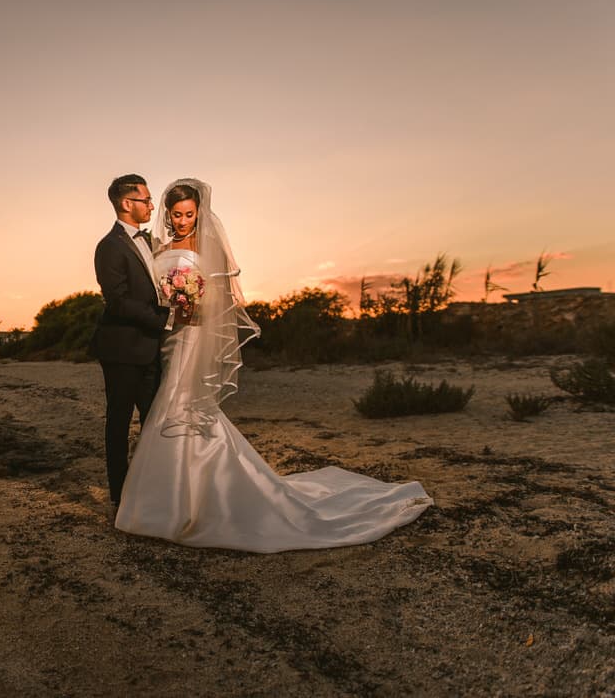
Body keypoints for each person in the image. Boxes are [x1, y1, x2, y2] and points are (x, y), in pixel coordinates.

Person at [115, 178, 433, 551]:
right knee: (168, 403)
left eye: (190, 214)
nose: (183, 220)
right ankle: (168, 498)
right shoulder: (161, 247)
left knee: (183, 403)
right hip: (169, 337)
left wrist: (194, 306)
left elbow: (218, 298)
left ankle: (189, 500)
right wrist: (173, 306)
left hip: (193, 335)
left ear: (199, 213)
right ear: (167, 215)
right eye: (177, 214)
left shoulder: (207, 247)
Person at [90, 175, 173, 509]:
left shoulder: (152, 243)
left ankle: (152, 487)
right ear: (127, 203)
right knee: (120, 422)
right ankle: (119, 494)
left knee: (154, 421)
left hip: (153, 347)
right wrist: (164, 321)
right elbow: (119, 301)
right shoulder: (109, 247)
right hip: (122, 349)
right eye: (146, 200)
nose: (152, 206)